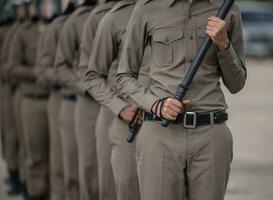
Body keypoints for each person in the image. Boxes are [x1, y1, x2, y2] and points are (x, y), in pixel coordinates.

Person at [116, 0, 246, 200]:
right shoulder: (147, 7)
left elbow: (236, 83)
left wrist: (223, 43)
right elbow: (124, 76)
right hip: (160, 134)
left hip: (210, 134)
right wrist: (155, 104)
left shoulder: (227, 8)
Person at [83, 0, 150, 199]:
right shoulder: (113, 18)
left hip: (165, 121)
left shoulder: (170, 12)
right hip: (126, 119)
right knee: (123, 188)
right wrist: (120, 107)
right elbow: (93, 75)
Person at [9, 0, 52, 199]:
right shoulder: (22, 32)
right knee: (36, 157)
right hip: (32, 99)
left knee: (59, 161)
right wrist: (37, 72)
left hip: (55, 97)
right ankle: (36, 194)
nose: (43, 8)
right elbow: (12, 66)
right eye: (39, 4)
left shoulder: (57, 27)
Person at [53, 0, 96, 199]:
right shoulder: (74, 21)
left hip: (120, 102)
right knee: (82, 169)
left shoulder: (124, 13)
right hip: (85, 101)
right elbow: (59, 67)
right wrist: (86, 86)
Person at [35, 1, 76, 200]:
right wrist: (72, 78)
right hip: (63, 98)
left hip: (94, 102)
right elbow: (43, 70)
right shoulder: (57, 26)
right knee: (62, 163)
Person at [78, 0, 118, 199]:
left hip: (149, 107)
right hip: (106, 104)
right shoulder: (98, 18)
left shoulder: (150, 11)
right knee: (99, 175)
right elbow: (87, 71)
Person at [0, 0, 26, 196]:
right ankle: (15, 177)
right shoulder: (10, 32)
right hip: (10, 88)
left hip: (14, 88)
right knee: (11, 135)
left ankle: (20, 179)